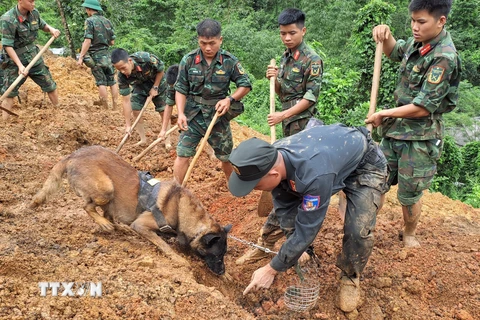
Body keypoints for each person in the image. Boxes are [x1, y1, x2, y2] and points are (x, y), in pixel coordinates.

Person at [228, 124, 388, 312]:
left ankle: (350, 277)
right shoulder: (274, 157)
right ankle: (265, 246)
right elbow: (285, 207)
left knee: (358, 230)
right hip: (328, 159)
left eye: (255, 185)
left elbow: (308, 227)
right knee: (279, 214)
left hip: (363, 164)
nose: (254, 190)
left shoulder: (314, 175)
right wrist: (292, 243)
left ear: (273, 173)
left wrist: (272, 269)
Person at [365, 0, 461, 248]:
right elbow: (393, 50)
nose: (415, 27)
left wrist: (385, 113)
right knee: (377, 182)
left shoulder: (444, 57)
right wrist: (385, 33)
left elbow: (422, 107)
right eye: (412, 21)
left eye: (421, 22)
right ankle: (365, 229)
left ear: (441, 21)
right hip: (394, 132)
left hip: (420, 139)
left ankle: (409, 233)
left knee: (409, 194)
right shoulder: (417, 43)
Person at [236, 8, 324, 265]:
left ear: (303, 31)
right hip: (287, 130)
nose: (286, 38)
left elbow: (310, 98)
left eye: (291, 33)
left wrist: (283, 116)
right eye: (283, 33)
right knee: (283, 187)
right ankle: (269, 242)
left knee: (297, 189)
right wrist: (273, 81)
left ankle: (299, 246)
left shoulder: (312, 60)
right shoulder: (285, 58)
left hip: (304, 130)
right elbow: (282, 92)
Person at [173, 18, 251, 184]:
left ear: (220, 40)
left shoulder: (229, 61)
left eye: (212, 43)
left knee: (226, 156)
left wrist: (229, 99)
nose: (208, 48)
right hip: (193, 116)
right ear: (198, 40)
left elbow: (245, 85)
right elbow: (180, 89)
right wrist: (180, 114)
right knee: (182, 153)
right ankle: (176, 192)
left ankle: (233, 187)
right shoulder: (188, 60)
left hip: (218, 117)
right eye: (203, 43)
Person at [1, 0, 61, 121]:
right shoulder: (7, 19)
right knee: (9, 92)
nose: (33, 4)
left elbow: (43, 25)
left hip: (34, 57)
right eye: (30, 1)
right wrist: (19, 66)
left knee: (50, 85)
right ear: (20, 1)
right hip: (14, 60)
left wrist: (51, 29)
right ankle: (4, 123)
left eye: (34, 1)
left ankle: (59, 113)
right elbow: (8, 46)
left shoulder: (34, 13)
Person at [111, 48, 167, 146]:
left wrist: (155, 86)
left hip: (158, 82)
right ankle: (143, 139)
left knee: (163, 110)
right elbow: (126, 101)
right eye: (119, 69)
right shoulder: (121, 77)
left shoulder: (145, 58)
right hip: (140, 85)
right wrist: (128, 125)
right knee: (135, 109)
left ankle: (167, 141)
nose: (122, 71)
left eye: (123, 68)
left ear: (129, 61)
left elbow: (161, 69)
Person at [77, 0, 118, 109]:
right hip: (107, 56)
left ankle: (105, 108)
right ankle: (115, 106)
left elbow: (87, 40)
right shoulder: (107, 21)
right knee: (112, 81)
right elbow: (112, 42)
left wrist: (81, 57)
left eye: (86, 9)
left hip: (95, 56)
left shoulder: (89, 21)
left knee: (101, 82)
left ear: (89, 9)